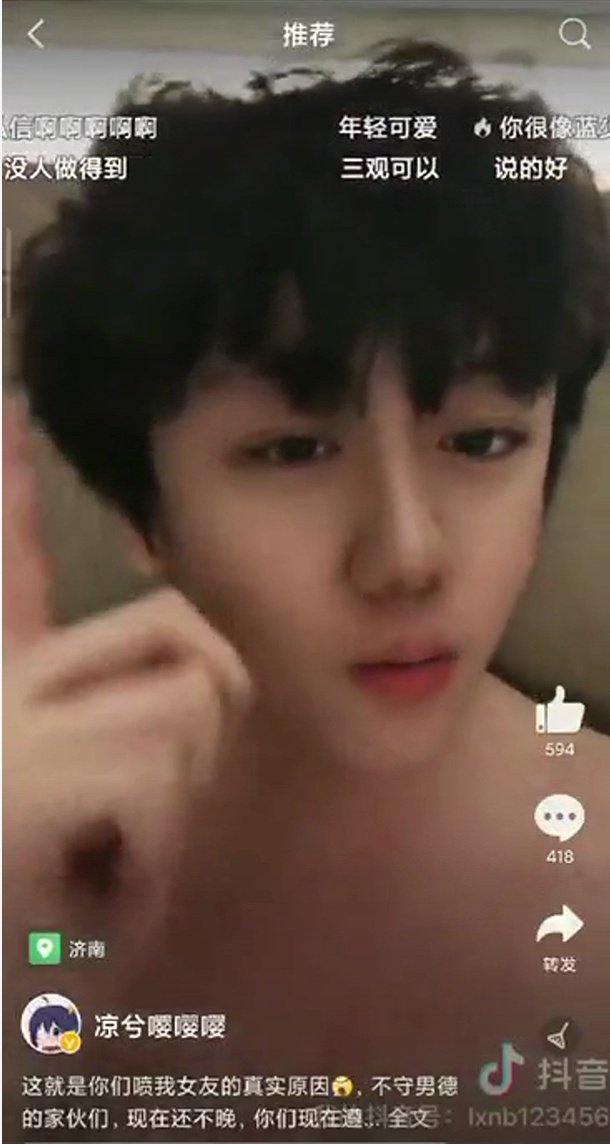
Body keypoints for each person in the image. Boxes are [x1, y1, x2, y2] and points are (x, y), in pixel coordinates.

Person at [4, 41, 610, 1140]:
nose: (407, 557)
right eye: (290, 451)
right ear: (141, 515)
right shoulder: (42, 866)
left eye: (482, 440)